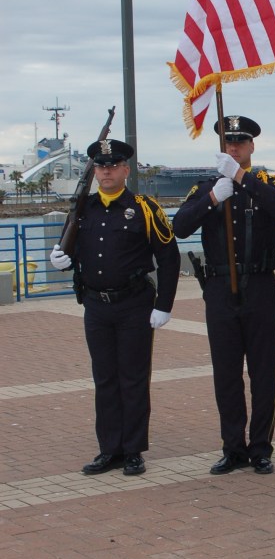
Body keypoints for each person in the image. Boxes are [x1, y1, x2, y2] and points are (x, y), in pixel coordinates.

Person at [49, 138, 180, 476]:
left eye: (113, 166)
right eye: (101, 166)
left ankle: (133, 450)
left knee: (133, 379)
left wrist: (164, 305)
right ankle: (110, 449)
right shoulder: (83, 209)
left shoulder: (144, 208)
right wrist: (61, 259)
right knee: (105, 379)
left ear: (125, 170)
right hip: (96, 305)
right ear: (94, 171)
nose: (106, 171)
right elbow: (71, 250)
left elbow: (169, 257)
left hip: (135, 304)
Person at [172, 115, 275, 475]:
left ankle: (261, 448)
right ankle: (233, 447)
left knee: (263, 373)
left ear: (252, 146)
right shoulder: (206, 187)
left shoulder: (268, 182)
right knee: (226, 373)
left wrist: (240, 177)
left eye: (240, 142)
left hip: (260, 285)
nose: (234, 147)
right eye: (229, 143)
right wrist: (212, 197)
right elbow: (180, 227)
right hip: (220, 287)